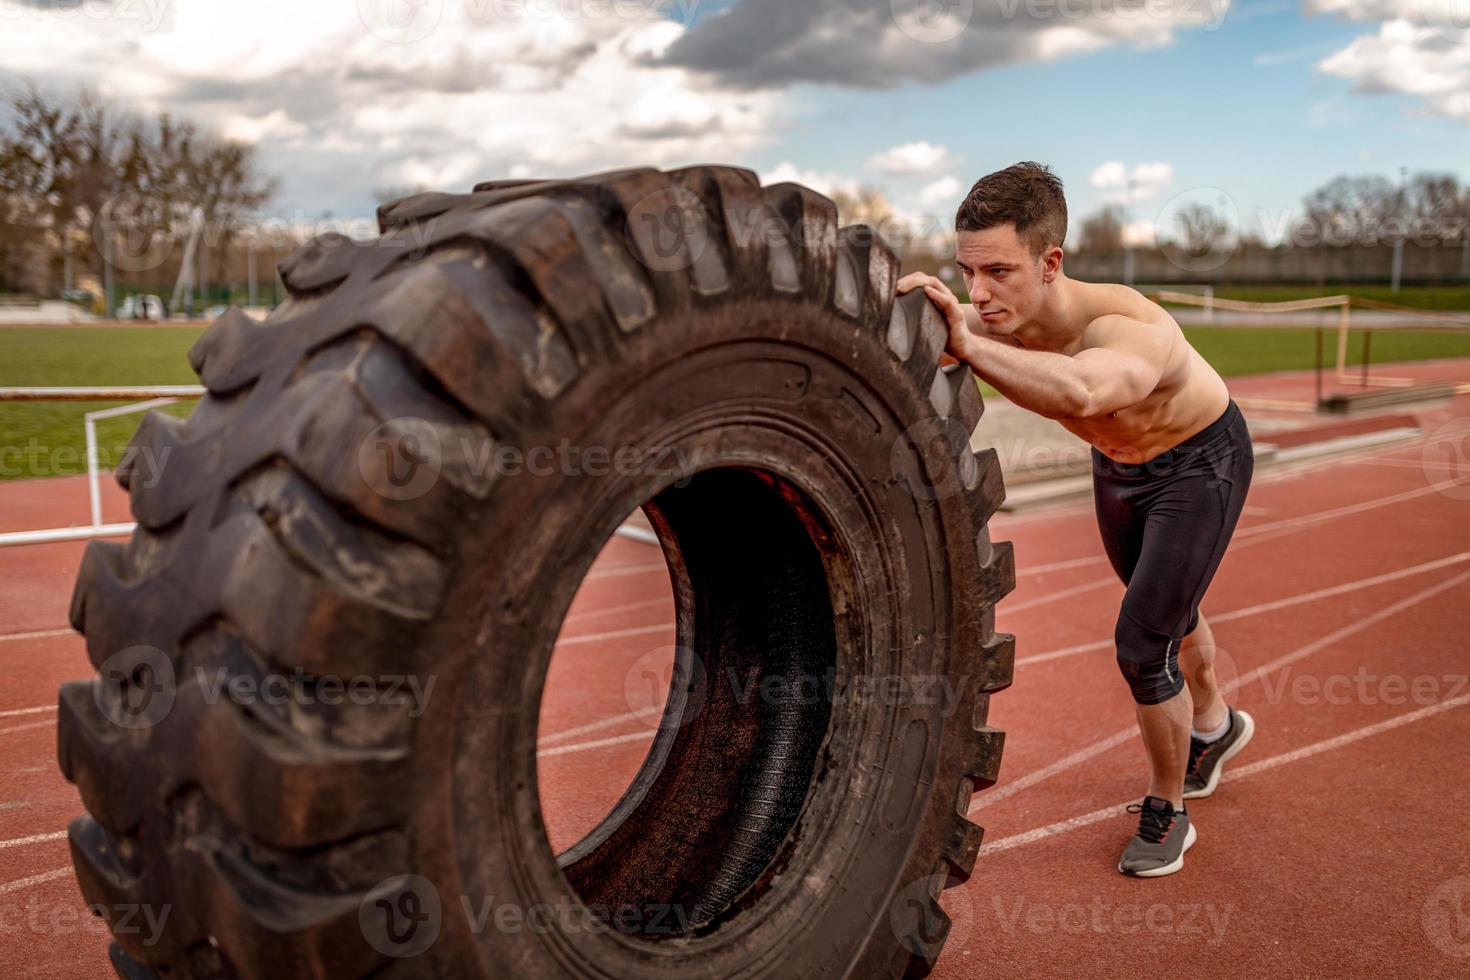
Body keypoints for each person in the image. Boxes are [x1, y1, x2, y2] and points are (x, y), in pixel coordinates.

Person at [897, 161, 1255, 877]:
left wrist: (966, 344)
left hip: (1198, 466)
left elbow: (1088, 390)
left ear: (1051, 261)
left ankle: (1168, 809)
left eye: (999, 270)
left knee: (1141, 641)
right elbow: (932, 326)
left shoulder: (1126, 327)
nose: (979, 292)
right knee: (1171, 614)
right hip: (1119, 471)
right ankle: (1216, 726)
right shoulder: (998, 315)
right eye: (968, 272)